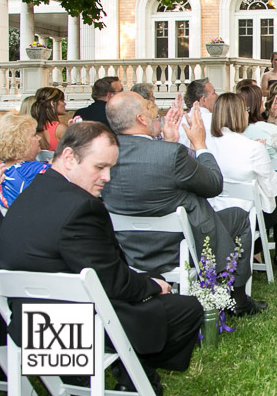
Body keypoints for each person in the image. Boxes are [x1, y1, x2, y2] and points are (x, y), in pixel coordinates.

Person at [0, 122, 203, 394]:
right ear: (69, 158)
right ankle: (136, 372)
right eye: (99, 167)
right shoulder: (81, 207)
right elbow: (114, 283)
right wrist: (155, 285)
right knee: (185, 309)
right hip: (71, 329)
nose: (107, 177)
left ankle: (132, 371)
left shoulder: (29, 192)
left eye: (110, 168)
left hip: (25, 323)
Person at [102, 92, 265, 317]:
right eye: (151, 110)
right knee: (239, 216)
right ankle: (238, 298)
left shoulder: (103, 156)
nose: (156, 115)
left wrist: (170, 143)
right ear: (141, 119)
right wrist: (200, 144)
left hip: (130, 249)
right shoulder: (171, 155)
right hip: (181, 246)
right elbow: (214, 184)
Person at [208, 93, 277, 270]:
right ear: (240, 114)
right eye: (245, 110)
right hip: (246, 217)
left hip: (212, 214)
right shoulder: (253, 147)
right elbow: (272, 187)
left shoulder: (205, 145)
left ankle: (256, 252)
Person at [0, 114, 48, 208]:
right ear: (21, 142)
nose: (39, 138)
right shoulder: (33, 170)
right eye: (34, 135)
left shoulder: (2, 169)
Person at [178, 78, 217, 150]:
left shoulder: (179, 121)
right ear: (203, 99)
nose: (217, 96)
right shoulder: (216, 120)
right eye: (214, 93)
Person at [31, 86, 67, 150]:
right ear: (52, 103)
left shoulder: (32, 127)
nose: (65, 103)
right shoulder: (60, 129)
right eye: (62, 100)